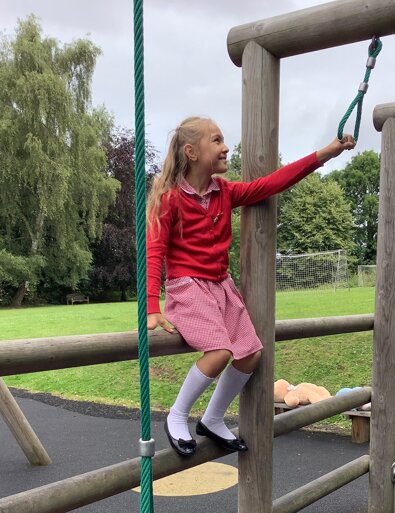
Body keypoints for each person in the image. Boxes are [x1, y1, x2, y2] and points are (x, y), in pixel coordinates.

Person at [146, 116, 355, 457]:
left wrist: (326, 153)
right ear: (192, 152)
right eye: (216, 140)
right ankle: (177, 415)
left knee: (250, 354)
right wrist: (152, 307)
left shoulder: (224, 193)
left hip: (221, 287)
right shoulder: (169, 199)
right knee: (219, 352)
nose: (225, 147)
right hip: (188, 288)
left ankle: (212, 418)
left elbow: (273, 183)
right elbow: (154, 252)